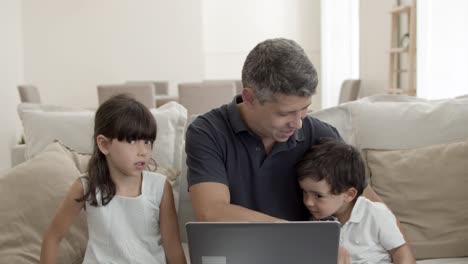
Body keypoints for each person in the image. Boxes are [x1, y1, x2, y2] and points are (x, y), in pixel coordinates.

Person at [186, 38, 408, 263]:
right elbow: (211, 211)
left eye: (304, 111)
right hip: (241, 254)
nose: (298, 124)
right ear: (250, 98)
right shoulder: (207, 131)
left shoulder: (321, 135)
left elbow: (372, 206)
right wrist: (299, 235)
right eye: (285, 114)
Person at [40, 94, 186, 264]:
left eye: (147, 141)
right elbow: (53, 237)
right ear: (104, 144)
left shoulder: (160, 187)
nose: (143, 151)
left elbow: (173, 247)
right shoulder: (85, 186)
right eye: (131, 141)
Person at [296, 138, 415, 264]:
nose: (308, 202)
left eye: (318, 196)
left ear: (349, 194)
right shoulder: (316, 222)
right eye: (304, 192)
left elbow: (400, 250)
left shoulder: (375, 213)